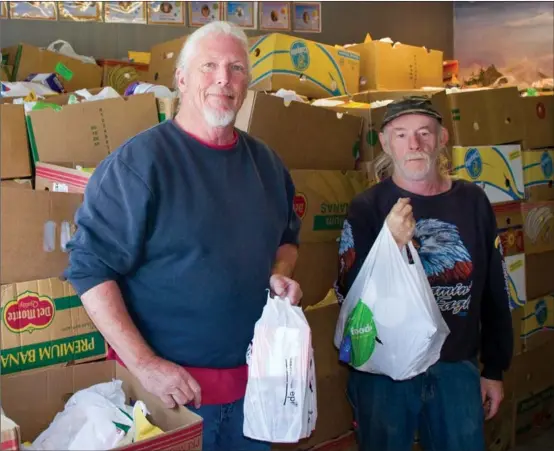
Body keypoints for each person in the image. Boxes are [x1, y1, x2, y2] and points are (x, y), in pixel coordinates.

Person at [64, 21, 302, 451]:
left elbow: (287, 237)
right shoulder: (139, 164)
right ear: (181, 78)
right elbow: (89, 269)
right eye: (209, 65)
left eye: (236, 69)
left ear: (247, 82)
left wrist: (279, 272)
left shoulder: (267, 164)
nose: (222, 80)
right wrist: (146, 364)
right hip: (172, 396)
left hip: (255, 389)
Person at [335, 97, 513, 451]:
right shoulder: (367, 208)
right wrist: (391, 246)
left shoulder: (473, 201)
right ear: (386, 143)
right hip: (385, 374)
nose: (413, 145)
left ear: (442, 138)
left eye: (423, 133)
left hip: (455, 368)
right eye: (401, 135)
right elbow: (349, 298)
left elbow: (494, 291)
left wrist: (494, 368)